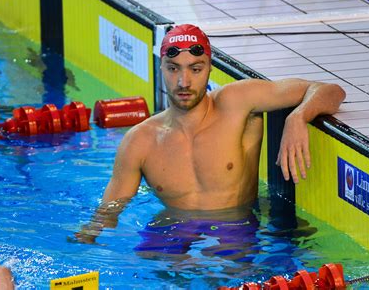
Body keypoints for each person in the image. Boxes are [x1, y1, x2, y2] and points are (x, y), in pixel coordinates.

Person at [74, 24, 346, 244]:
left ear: (209, 68)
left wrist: (298, 117)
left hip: (235, 228)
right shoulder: (139, 140)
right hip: (171, 228)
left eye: (195, 69)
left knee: (234, 270)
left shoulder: (238, 102)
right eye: (173, 69)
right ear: (161, 69)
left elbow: (331, 91)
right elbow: (109, 212)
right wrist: (86, 238)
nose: (184, 82)